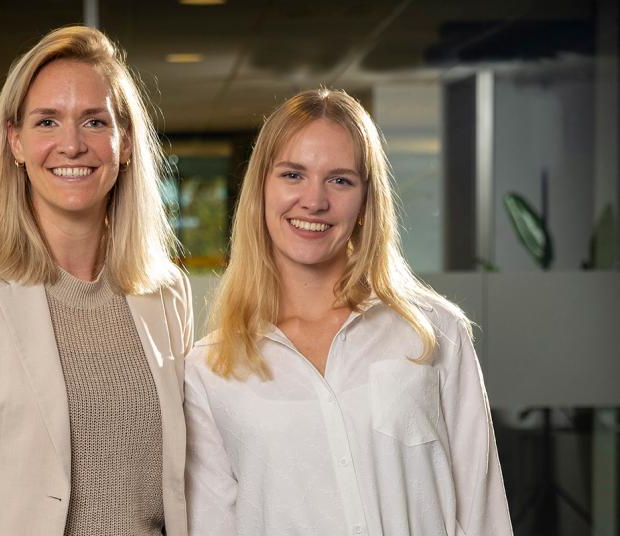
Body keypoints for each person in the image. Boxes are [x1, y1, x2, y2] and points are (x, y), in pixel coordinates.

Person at [0, 26, 192, 536]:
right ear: (16, 142)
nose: (71, 145)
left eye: (94, 121)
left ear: (124, 144)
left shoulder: (165, 292)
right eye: (47, 120)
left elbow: (187, 480)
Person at [184, 89, 513, 535]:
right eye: (293, 174)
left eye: (340, 180)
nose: (314, 201)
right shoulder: (210, 370)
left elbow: (483, 510)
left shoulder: (433, 333)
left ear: (365, 202)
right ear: (261, 188)